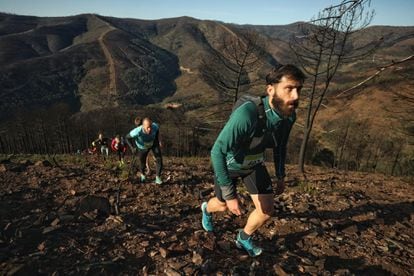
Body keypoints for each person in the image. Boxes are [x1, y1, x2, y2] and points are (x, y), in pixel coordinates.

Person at [201, 64, 305, 257]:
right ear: (270, 89)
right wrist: (230, 195)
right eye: (289, 89)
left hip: (254, 165)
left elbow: (280, 146)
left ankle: (244, 237)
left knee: (266, 211)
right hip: (231, 165)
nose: (295, 96)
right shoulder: (248, 114)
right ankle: (206, 209)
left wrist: (281, 175)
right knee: (222, 205)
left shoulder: (289, 116)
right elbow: (217, 151)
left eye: (298, 89)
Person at [125, 117, 163, 184]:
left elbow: (157, 130)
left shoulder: (154, 126)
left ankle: (158, 178)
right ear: (143, 126)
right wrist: (132, 148)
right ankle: (143, 175)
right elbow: (127, 138)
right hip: (142, 147)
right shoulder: (137, 131)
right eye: (147, 127)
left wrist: (159, 141)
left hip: (153, 143)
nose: (150, 129)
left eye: (150, 126)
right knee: (142, 162)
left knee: (159, 158)